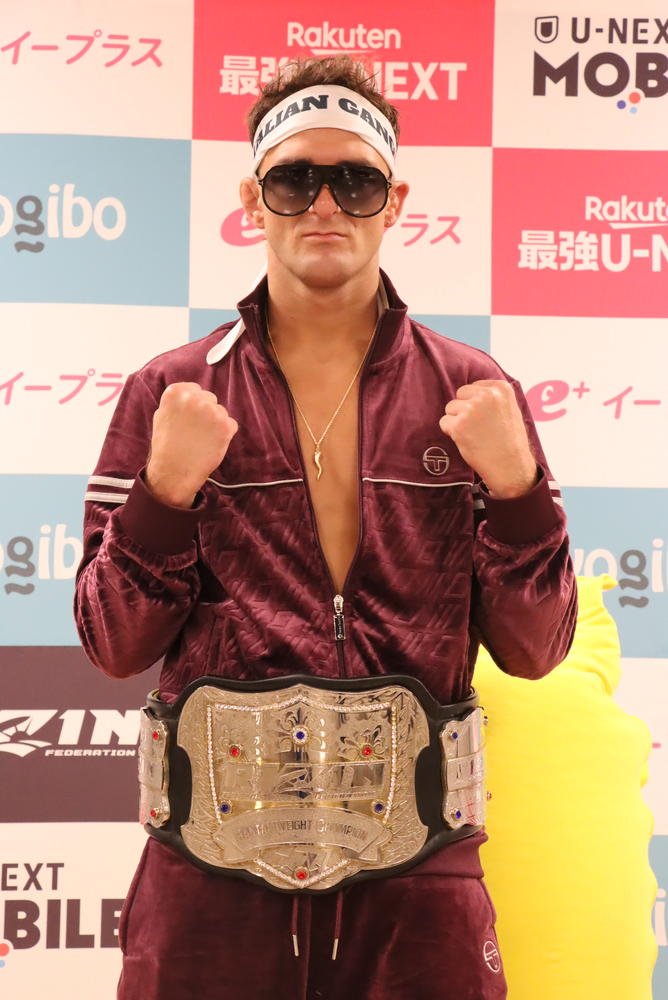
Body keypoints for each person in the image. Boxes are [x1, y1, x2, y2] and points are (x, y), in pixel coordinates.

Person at [74, 55, 577, 1000]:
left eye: (355, 182)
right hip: (208, 875)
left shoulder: (474, 392)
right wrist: (162, 495)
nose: (324, 206)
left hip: (419, 876)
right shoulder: (170, 390)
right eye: (294, 179)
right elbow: (114, 645)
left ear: (395, 202)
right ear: (252, 199)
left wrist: (517, 493)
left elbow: (537, 648)